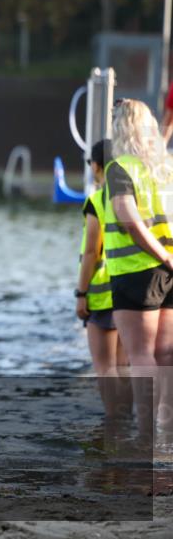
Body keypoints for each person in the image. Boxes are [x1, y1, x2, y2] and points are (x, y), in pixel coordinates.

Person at [102, 100, 173, 442]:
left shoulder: (119, 168)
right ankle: (165, 429)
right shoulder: (165, 169)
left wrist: (160, 255)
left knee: (141, 355)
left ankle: (146, 437)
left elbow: (128, 218)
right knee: (165, 354)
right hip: (169, 272)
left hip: (137, 271)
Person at [75, 139, 131, 418]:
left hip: (102, 294)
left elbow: (90, 252)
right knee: (124, 366)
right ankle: (131, 423)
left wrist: (81, 293)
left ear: (96, 166)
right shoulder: (134, 197)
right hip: (131, 288)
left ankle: (114, 425)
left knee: (104, 367)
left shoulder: (97, 200)